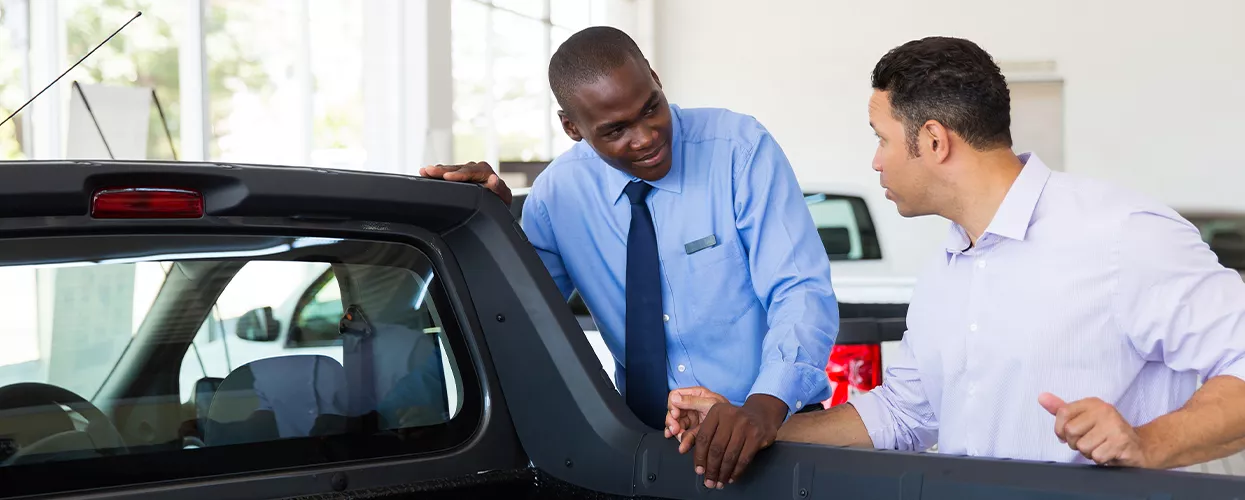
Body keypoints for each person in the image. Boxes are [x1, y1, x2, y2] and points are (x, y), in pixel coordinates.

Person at [668, 36, 1245, 482]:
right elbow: (902, 415)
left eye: (881, 137)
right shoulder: (947, 266)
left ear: (935, 141)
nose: (875, 161)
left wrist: (1147, 443)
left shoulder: (1123, 234)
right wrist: (751, 428)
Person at [420, 26, 839, 487]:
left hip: (770, 431)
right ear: (572, 128)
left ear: (655, 79)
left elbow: (799, 289)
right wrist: (489, 225)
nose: (645, 138)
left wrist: (763, 407)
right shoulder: (557, 197)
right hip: (645, 455)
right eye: (616, 130)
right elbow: (518, 319)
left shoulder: (738, 148)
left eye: (651, 109)